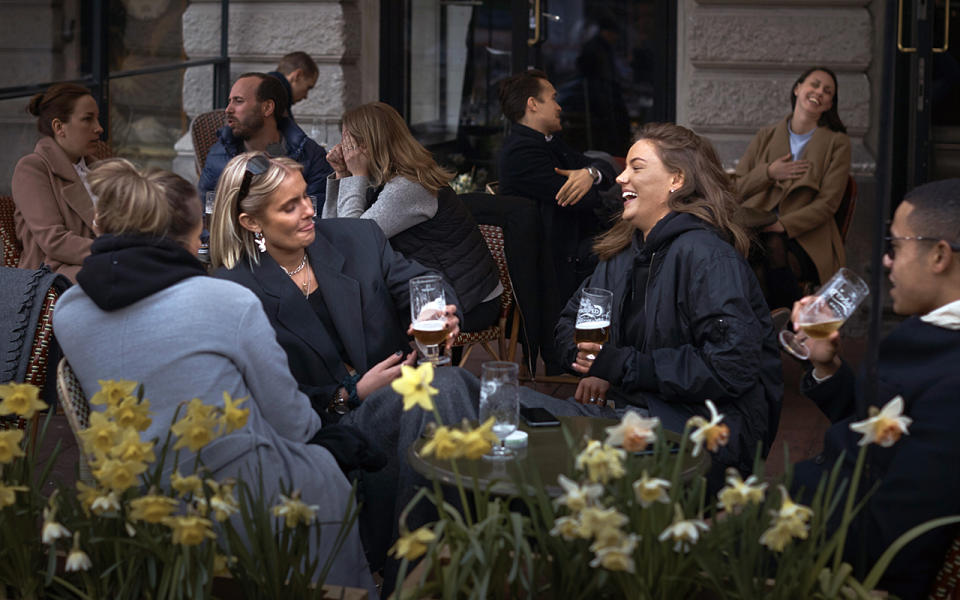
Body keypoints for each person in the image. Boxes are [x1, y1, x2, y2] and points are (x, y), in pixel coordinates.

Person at [51, 158, 378, 597]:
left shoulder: (68, 311)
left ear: (101, 225)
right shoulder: (226, 302)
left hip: (134, 502)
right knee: (331, 466)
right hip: (250, 505)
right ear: (191, 236)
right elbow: (295, 425)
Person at [208, 152, 482, 584]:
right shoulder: (234, 292)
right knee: (453, 389)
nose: (309, 211)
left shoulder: (357, 238)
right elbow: (260, 403)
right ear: (251, 223)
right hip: (328, 430)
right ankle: (424, 574)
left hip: (407, 405)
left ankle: (412, 576)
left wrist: (438, 311)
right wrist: (351, 395)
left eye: (305, 197)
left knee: (442, 391)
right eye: (289, 206)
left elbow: (421, 282)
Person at [551, 123, 783, 483]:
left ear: (677, 180)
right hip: (635, 411)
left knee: (539, 445)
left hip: (705, 433)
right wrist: (589, 360)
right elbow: (570, 323)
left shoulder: (708, 257)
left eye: (637, 168)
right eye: (625, 168)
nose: (621, 178)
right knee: (514, 423)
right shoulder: (622, 252)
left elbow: (731, 365)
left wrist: (622, 366)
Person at [792, 179, 960, 599]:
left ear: (939, 254)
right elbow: (880, 431)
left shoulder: (952, 377)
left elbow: (891, 538)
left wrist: (769, 523)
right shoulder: (932, 339)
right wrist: (827, 364)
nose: (885, 260)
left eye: (896, 246)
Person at [322, 101, 502, 332]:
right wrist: (342, 174)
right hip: (441, 290)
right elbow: (332, 234)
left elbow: (353, 243)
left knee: (357, 324)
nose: (342, 149)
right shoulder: (384, 178)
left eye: (348, 141)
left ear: (367, 144)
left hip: (465, 302)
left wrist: (355, 176)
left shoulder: (409, 186)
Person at [732, 66, 851, 309]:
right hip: (757, 227)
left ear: (829, 104)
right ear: (797, 89)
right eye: (814, 84)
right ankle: (780, 331)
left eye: (827, 91)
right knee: (748, 262)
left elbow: (828, 204)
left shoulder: (837, 143)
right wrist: (768, 172)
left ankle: (789, 328)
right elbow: (735, 190)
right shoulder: (766, 136)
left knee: (773, 248)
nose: (819, 92)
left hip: (806, 236)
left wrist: (782, 225)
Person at [497, 69, 618, 304]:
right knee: (633, 254)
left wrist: (589, 174)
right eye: (553, 98)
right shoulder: (521, 152)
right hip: (554, 261)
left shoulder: (549, 143)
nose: (559, 106)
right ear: (533, 104)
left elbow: (605, 167)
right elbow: (580, 199)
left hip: (575, 244)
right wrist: (590, 180)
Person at [12, 83, 103, 281]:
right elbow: (53, 240)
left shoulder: (100, 170)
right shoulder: (33, 168)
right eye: (88, 119)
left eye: (97, 118)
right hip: (52, 275)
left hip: (102, 263)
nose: (99, 128)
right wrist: (114, 252)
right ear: (59, 127)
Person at [197, 73, 331, 207]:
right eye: (229, 101)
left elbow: (316, 216)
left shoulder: (310, 156)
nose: (228, 109)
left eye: (238, 101)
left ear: (267, 108)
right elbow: (205, 215)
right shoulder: (218, 155)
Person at [268, 51, 319, 118]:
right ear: (298, 75)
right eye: (308, 87)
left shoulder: (268, 92)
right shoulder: (276, 100)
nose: (305, 96)